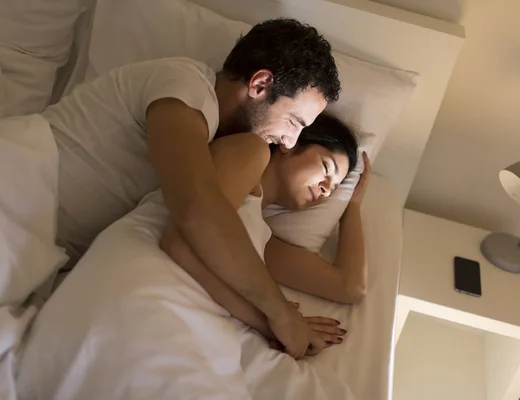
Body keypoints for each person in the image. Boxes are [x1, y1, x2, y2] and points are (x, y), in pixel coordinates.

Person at [39, 18, 340, 358]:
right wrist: (279, 314)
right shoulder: (183, 87)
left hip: (42, 244)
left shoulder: (219, 138)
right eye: (294, 122)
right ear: (260, 84)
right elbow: (197, 214)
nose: (289, 141)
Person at [161, 113, 370, 349]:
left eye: (332, 190)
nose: (325, 191)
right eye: (326, 168)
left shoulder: (264, 241)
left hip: (186, 324)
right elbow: (182, 245)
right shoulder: (251, 150)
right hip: (155, 289)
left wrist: (352, 206)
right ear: (290, 144)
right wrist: (277, 321)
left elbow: (350, 288)